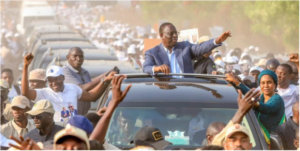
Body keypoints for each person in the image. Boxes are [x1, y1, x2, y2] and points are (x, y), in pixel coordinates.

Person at [21, 53, 115, 122]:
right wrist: (25, 66)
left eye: (57, 79)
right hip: (54, 132)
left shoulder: (73, 88)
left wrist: (106, 81)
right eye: (50, 80)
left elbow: (92, 96)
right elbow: (25, 93)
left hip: (73, 130)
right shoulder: (44, 93)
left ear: (63, 78)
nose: (54, 83)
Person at [143, 22, 231, 75]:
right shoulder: (152, 53)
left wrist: (217, 40)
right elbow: (146, 68)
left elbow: (201, 48)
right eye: (171, 33)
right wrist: (157, 68)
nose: (175, 35)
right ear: (162, 35)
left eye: (176, 33)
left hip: (187, 90)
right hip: (165, 92)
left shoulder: (185, 47)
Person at [226, 70, 285, 145]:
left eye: (269, 82)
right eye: (263, 83)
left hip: (272, 144)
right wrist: (236, 83)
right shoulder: (262, 97)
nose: (266, 86)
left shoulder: (277, 99)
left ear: (275, 84)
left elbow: (267, 108)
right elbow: (249, 93)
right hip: (258, 140)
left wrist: (254, 102)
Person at [62, 47, 113, 115]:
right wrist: (104, 77)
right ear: (68, 57)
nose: (78, 59)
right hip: (70, 116)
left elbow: (92, 94)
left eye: (81, 56)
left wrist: (108, 76)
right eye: (75, 56)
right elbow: (80, 89)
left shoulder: (85, 72)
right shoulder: (65, 71)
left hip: (84, 115)